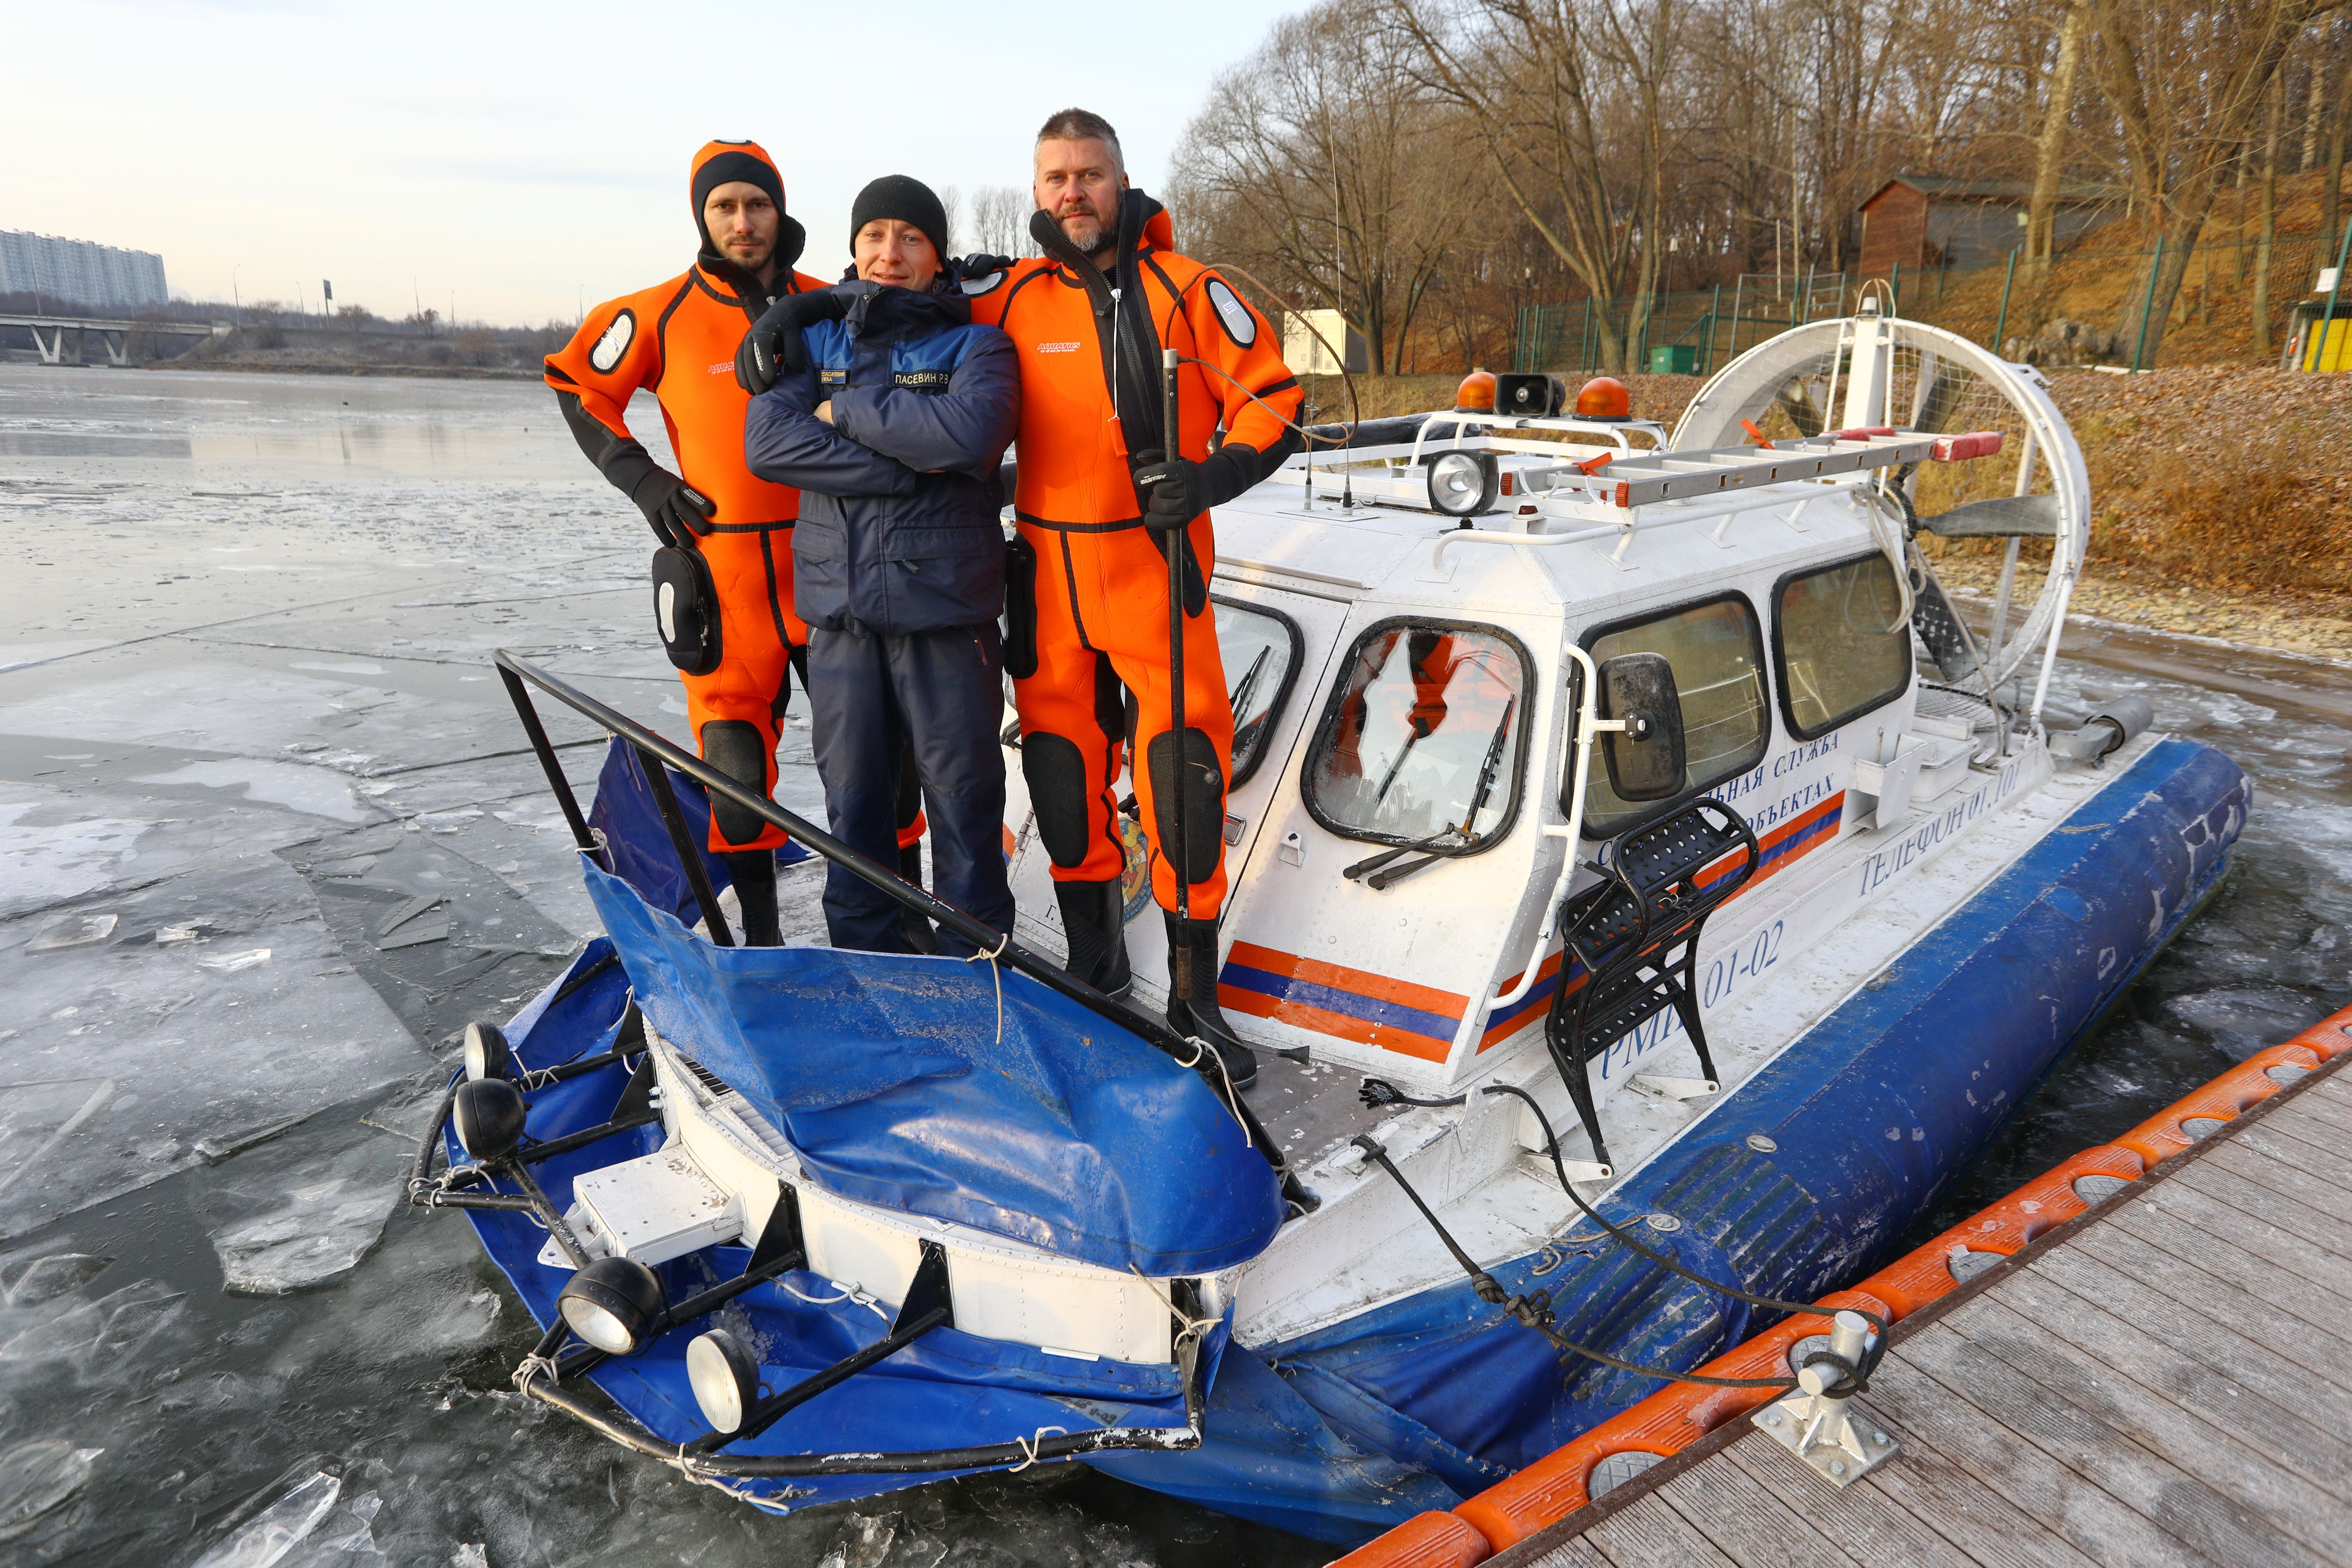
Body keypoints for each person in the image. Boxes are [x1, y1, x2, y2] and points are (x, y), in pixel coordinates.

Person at [962, 109, 1303, 1085]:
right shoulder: (1008, 299)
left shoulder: (1189, 288)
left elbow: (1276, 399)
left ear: (1121, 182)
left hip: (1153, 571)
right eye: (1056, 177)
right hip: (1047, 578)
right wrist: (798, 319)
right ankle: (1094, 965)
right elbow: (898, 316)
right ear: (1036, 191)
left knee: (1182, 778)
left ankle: (1196, 997)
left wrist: (1212, 477)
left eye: (1090, 174)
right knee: (1063, 772)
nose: (1073, 192)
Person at [739, 177, 1020, 956]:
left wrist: (846, 413)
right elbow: (768, 446)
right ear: (853, 248)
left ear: (938, 259)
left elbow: (968, 440)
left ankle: (973, 972)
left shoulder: (977, 345)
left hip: (945, 613)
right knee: (853, 807)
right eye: (874, 236)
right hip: (841, 615)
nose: (889, 254)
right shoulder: (814, 342)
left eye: (910, 238)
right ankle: (864, 966)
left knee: (964, 806)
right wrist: (909, 469)